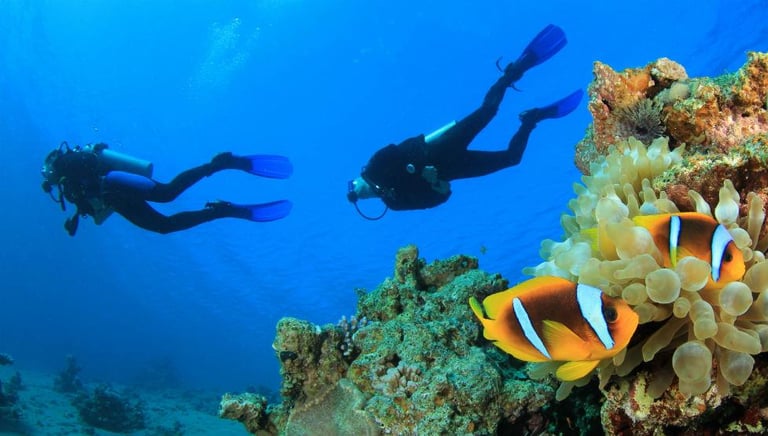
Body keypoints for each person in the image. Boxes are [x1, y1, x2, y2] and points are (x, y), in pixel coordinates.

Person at [346, 24, 583, 219]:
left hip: (438, 148)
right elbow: (437, 200)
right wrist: (437, 184)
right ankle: (532, 119)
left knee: (487, 111)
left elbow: (396, 151)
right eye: (360, 196)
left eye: (356, 188)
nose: (361, 193)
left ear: (358, 181)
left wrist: (419, 168)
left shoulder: (374, 165)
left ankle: (514, 71)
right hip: (452, 169)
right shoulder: (394, 203)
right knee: (512, 159)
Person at [41, 142, 293, 236]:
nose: (48, 178)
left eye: (47, 173)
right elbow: (89, 203)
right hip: (115, 196)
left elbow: (86, 181)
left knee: (166, 195)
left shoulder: (65, 167)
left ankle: (219, 167)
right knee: (164, 223)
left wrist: (76, 201)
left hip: (114, 183)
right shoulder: (67, 181)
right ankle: (221, 209)